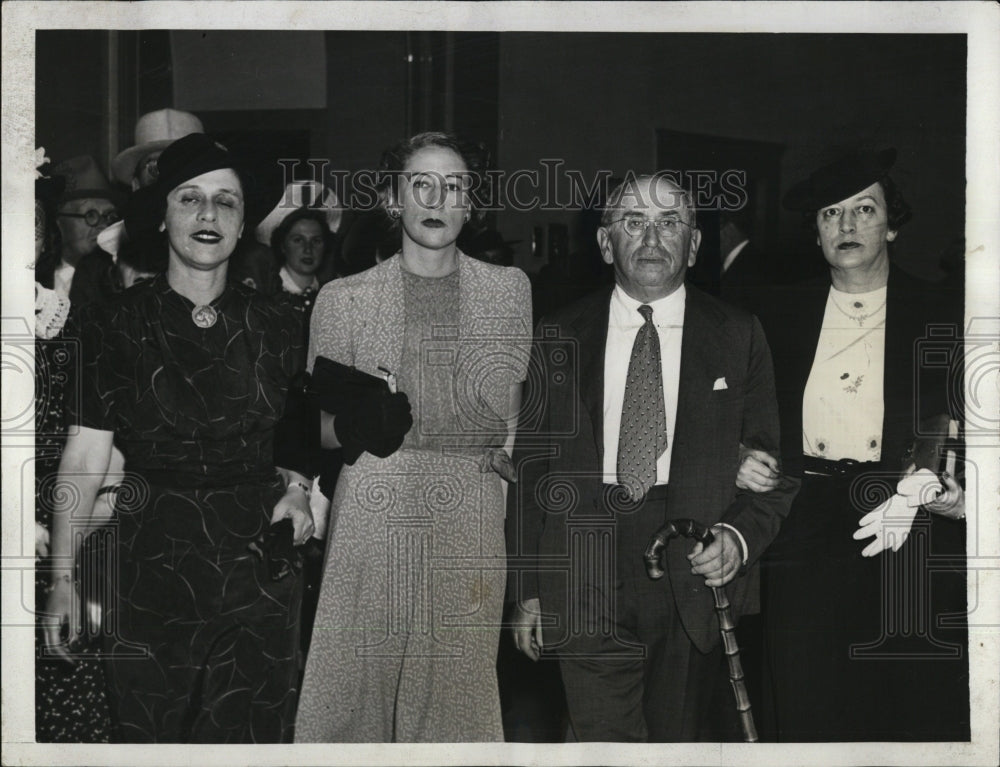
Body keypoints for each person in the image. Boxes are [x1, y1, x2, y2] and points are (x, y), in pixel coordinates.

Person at [506, 172, 798, 742]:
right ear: (604, 241)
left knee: (676, 742)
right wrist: (530, 589)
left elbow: (770, 476)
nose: (651, 238)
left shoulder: (737, 335)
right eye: (633, 221)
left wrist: (737, 539)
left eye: (670, 223)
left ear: (693, 244)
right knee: (601, 742)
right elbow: (532, 470)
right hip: (582, 560)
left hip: (690, 564)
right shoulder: (560, 332)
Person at [42, 133, 314, 743]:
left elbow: (298, 435)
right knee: (150, 739)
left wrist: (296, 488)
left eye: (227, 201)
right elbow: (84, 460)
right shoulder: (112, 323)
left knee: (250, 741)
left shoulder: (281, 324)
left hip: (258, 568)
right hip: (149, 564)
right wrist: (62, 578)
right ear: (162, 217)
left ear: (244, 225)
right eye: (189, 198)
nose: (208, 214)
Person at [295, 131, 532, 742]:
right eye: (420, 184)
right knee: (354, 690)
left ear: (471, 204)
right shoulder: (342, 300)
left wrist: (497, 504)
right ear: (392, 201)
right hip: (375, 499)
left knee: (458, 695)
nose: (436, 198)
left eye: (453, 186)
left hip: (469, 509)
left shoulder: (509, 292)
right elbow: (312, 431)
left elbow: (506, 423)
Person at [742, 148, 969, 741]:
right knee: (807, 693)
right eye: (829, 214)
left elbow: (953, 415)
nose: (845, 226)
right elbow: (743, 412)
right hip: (803, 519)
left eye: (864, 210)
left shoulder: (941, 309)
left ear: (891, 223)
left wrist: (923, 484)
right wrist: (743, 455)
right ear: (815, 234)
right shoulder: (777, 312)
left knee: (903, 697)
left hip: (903, 517)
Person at [33, 153, 114, 743]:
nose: (95, 225)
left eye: (105, 214)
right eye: (83, 214)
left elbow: (91, 435)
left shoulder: (64, 315)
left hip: (61, 515)